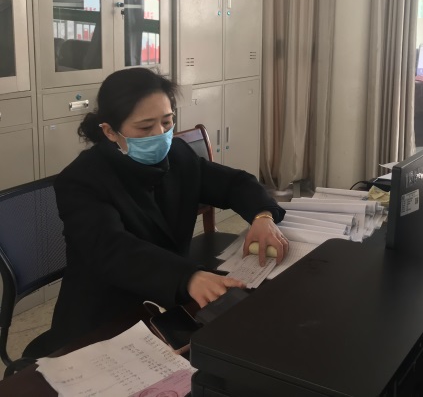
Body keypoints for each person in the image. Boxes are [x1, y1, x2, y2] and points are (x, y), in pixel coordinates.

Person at [26, 68, 287, 356]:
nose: (160, 135)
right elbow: (112, 249)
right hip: (104, 319)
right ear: (110, 131)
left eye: (167, 121)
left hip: (166, 306)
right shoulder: (82, 180)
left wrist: (262, 216)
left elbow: (233, 183)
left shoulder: (177, 154)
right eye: (145, 127)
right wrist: (187, 278)